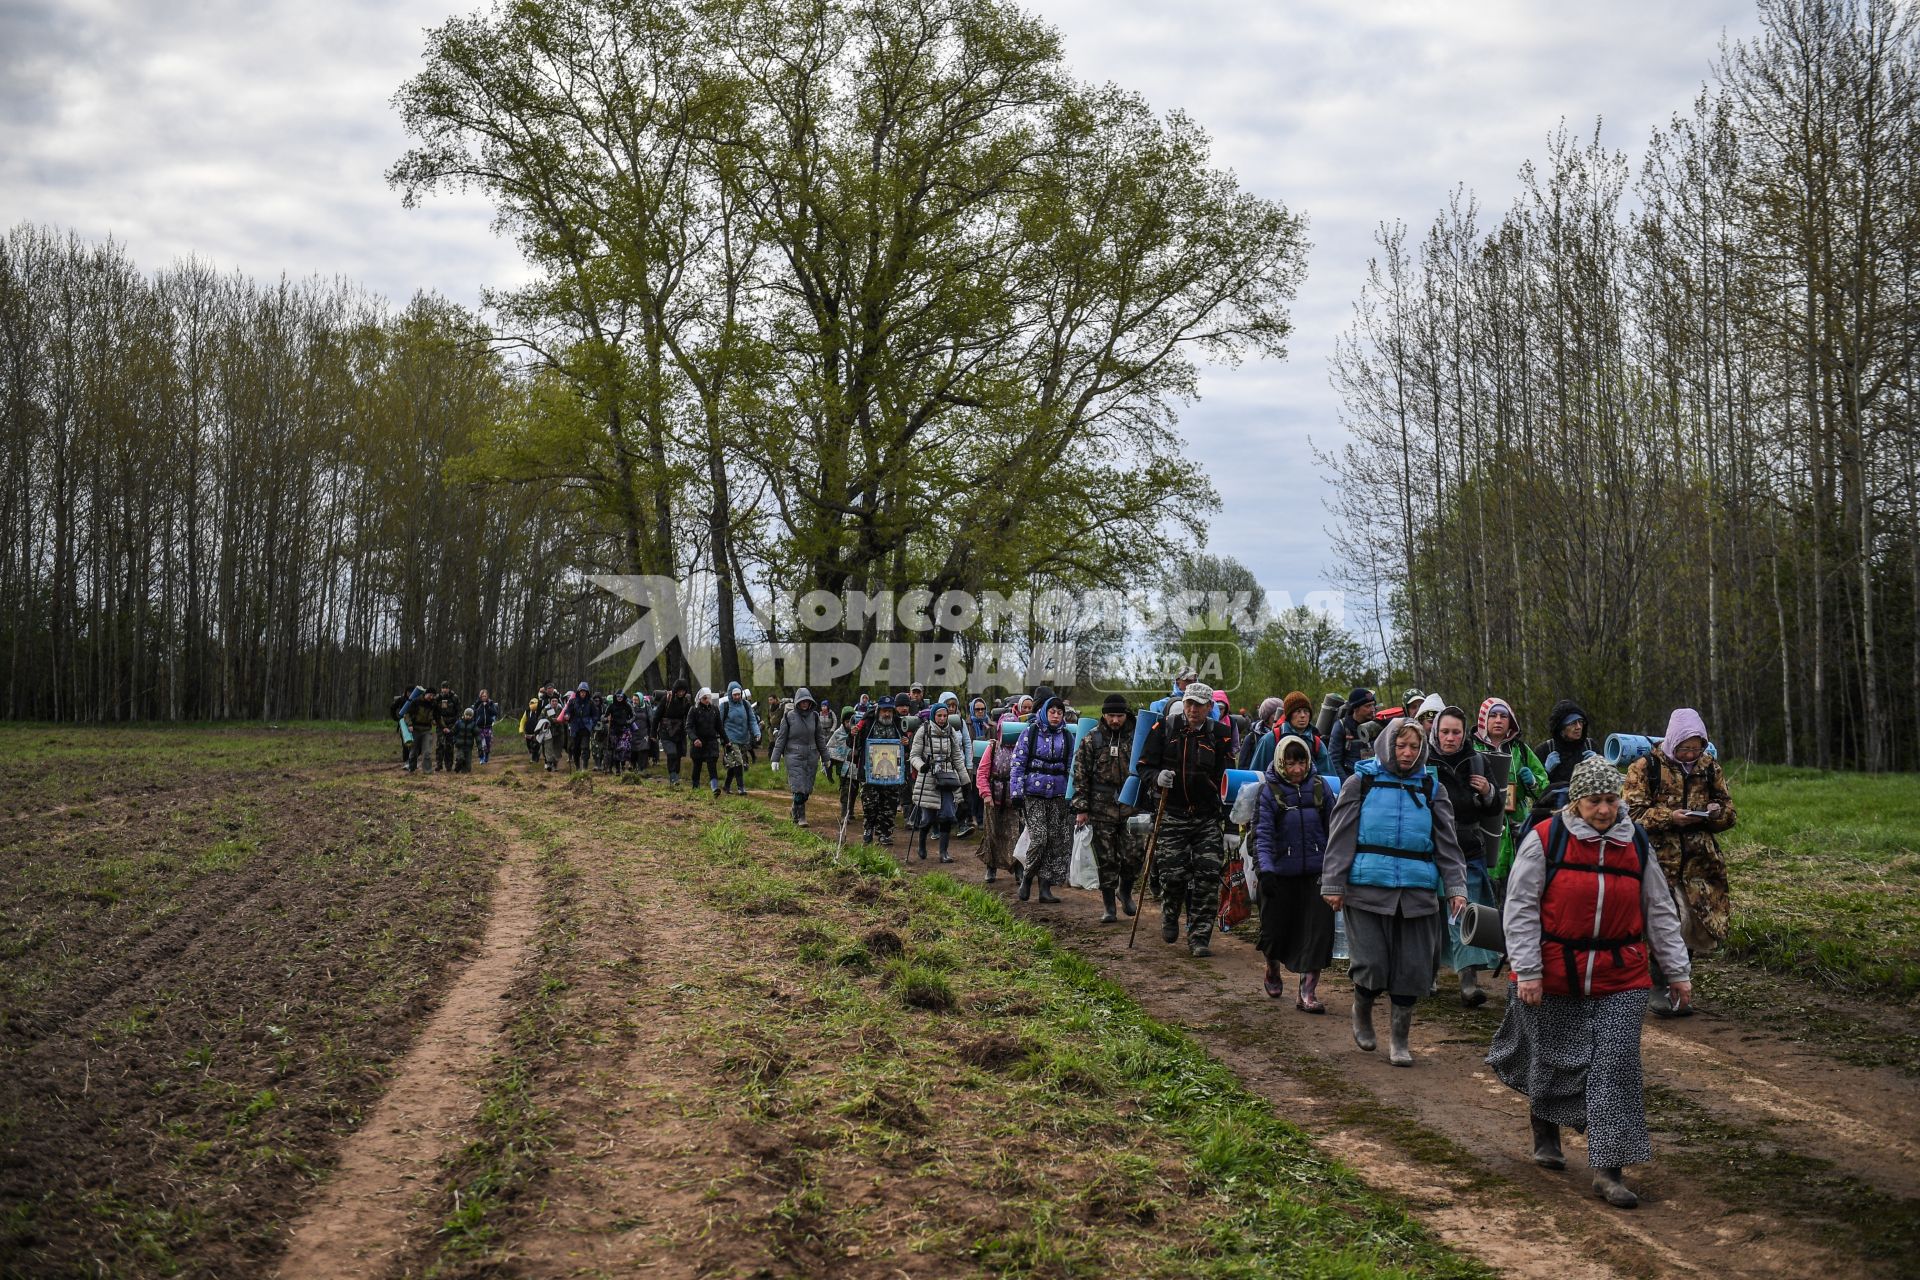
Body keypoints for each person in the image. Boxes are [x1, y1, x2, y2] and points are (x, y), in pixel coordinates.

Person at [1488, 756, 1692, 1209]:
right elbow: (1519, 909)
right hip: (1554, 970)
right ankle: (1545, 1129)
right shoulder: (1545, 840)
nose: (1605, 810)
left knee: (1616, 1068)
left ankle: (1609, 1170)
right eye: (1595, 801)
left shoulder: (1635, 842)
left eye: (1612, 799)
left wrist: (1677, 971)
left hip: (1621, 975)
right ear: (1577, 801)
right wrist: (1528, 970)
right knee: (1554, 1059)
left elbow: (1658, 908)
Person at [1320, 717, 1468, 1066]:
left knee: (1413, 968)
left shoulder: (1432, 789)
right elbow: (1341, 835)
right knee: (1371, 963)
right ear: (1388, 744)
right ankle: (1362, 1007)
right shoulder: (1362, 782)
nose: (1407, 752)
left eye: (1414, 747)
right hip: (1367, 888)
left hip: (1417, 891)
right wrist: (1333, 882)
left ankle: (1400, 1040)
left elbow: (1448, 843)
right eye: (1401, 745)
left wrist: (1456, 886)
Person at [1623, 708, 1737, 1016]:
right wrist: (1669, 817)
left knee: (1694, 921)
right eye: (1685, 747)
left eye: (1696, 747)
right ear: (1673, 741)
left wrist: (1715, 813)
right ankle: (1659, 985)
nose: (1690, 753)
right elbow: (1630, 815)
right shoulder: (1646, 768)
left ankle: (1678, 984)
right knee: (1667, 920)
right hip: (1659, 859)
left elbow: (1730, 812)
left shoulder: (1709, 768)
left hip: (1700, 862)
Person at [1135, 682, 1232, 957]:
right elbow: (1143, 766)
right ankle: (1170, 914)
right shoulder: (1165, 729)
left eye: (1199, 705)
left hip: (1206, 818)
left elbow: (1230, 783)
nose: (1193, 709)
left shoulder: (1221, 735)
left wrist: (1232, 827)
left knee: (1207, 877)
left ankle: (1199, 937)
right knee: (1172, 875)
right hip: (1172, 815)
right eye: (1189, 703)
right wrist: (1157, 778)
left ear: (1209, 707)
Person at [1251, 735, 1336, 1010]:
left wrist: (1336, 869)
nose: (1297, 770)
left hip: (1316, 873)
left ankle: (1308, 993)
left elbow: (1335, 830)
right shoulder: (1269, 792)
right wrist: (1266, 871)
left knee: (1317, 933)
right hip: (1280, 874)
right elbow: (1262, 835)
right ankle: (1272, 966)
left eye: (1301, 762)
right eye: (1290, 763)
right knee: (1275, 932)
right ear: (1280, 762)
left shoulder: (1321, 788)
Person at [1431, 705, 1505, 1006]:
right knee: (1432, 915)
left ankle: (1468, 981)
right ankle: (1427, 974)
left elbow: (1494, 809)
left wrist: (1488, 791)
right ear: (1436, 731)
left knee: (1465, 911)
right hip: (1431, 846)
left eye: (1456, 732)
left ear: (1465, 734)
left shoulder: (1476, 760)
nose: (1450, 738)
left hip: (1468, 846)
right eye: (1445, 731)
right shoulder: (1424, 760)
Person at [1071, 693, 1142, 923]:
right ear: (1104, 715)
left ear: (1126, 715)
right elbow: (1080, 775)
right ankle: (1109, 906)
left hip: (1131, 805)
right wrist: (1082, 808)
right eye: (1111, 715)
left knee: (1134, 854)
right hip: (1101, 807)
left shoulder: (1137, 737)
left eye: (1119, 716)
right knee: (1106, 858)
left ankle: (1126, 890)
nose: (1115, 720)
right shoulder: (1092, 739)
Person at [1472, 697, 1544, 894]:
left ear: (1510, 720)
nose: (1498, 720)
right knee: (1487, 888)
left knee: (1518, 885)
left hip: (1517, 825)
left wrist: (1532, 782)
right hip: (1484, 824)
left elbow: (1544, 786)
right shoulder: (1470, 748)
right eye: (1492, 715)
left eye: (1503, 716)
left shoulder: (1520, 750)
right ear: (1483, 720)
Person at [1010, 695, 1074, 902]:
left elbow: (1073, 767)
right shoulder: (1031, 732)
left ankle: (1045, 889)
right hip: (1034, 793)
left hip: (1058, 795)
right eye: (1052, 712)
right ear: (1045, 713)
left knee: (1055, 841)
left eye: (1059, 712)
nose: (1056, 716)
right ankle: (1027, 878)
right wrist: (1016, 792)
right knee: (1039, 838)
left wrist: (1074, 795)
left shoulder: (1067, 737)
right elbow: (1018, 762)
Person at [907, 701, 968, 862]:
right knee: (928, 817)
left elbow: (957, 757)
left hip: (948, 778)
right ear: (934, 716)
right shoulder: (923, 731)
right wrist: (921, 766)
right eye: (939, 715)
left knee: (947, 815)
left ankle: (943, 853)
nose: (942, 719)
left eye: (945, 715)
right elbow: (913, 755)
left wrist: (965, 780)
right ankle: (921, 843)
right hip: (928, 778)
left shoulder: (951, 732)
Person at [974, 705, 1023, 883]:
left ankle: (1018, 869)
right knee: (992, 834)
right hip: (993, 798)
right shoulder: (993, 747)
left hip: (1013, 799)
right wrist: (986, 794)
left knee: (1015, 835)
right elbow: (982, 773)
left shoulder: (1021, 749)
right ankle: (991, 868)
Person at [771, 686, 832, 826]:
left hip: (811, 756)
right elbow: (781, 738)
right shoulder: (789, 716)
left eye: (807, 701)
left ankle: (794, 810)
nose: (805, 704)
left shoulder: (815, 717)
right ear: (798, 702)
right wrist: (775, 758)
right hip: (793, 756)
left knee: (806, 790)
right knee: (799, 788)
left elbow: (820, 739)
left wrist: (825, 757)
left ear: (810, 702)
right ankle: (801, 817)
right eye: (802, 701)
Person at [851, 696, 908, 845]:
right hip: (869, 772)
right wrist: (854, 733)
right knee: (870, 803)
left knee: (889, 803)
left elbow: (905, 747)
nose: (887, 714)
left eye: (889, 710)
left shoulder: (898, 723)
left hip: (892, 772)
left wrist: (906, 743)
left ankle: (885, 833)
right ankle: (868, 829)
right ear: (878, 710)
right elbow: (851, 743)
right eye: (884, 710)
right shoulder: (868, 722)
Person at [1533, 699, 1598, 820]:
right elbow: (1534, 791)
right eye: (1572, 723)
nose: (1578, 727)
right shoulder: (1544, 750)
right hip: (1553, 814)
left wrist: (1599, 764)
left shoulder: (1590, 745)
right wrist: (1545, 771)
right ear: (1560, 727)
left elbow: (1605, 785)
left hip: (1586, 813)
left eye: (1580, 722)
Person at [720, 682, 760, 796]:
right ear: (730, 694)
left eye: (739, 694)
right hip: (730, 739)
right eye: (734, 695)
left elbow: (752, 720)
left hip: (743, 738)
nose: (737, 697)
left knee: (734, 764)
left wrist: (756, 732)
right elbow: (719, 723)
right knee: (739, 762)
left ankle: (726, 785)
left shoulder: (746, 705)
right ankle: (741, 787)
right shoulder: (725, 706)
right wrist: (722, 739)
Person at [1329, 687, 1377, 778]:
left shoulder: (1376, 725)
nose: (1372, 709)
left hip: (1374, 778)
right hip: (1351, 778)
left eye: (1373, 705)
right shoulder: (1342, 726)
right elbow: (1334, 760)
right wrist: (1346, 785)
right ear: (1355, 708)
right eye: (1367, 706)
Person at [687, 687, 723, 795]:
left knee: (712, 765)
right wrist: (694, 739)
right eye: (704, 698)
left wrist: (726, 740)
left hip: (711, 742)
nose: (707, 700)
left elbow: (719, 727)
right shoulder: (694, 710)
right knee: (697, 765)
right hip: (698, 743)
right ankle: (695, 787)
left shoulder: (715, 710)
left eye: (708, 698)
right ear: (700, 698)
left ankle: (714, 788)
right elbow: (688, 727)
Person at [656, 679, 691, 785]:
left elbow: (689, 716)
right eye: (679, 690)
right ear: (676, 690)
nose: (681, 693)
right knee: (671, 753)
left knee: (678, 755)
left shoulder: (686, 701)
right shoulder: (666, 699)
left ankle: (675, 775)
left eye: (683, 691)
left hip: (679, 733)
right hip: (665, 732)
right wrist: (653, 733)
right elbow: (656, 716)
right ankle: (673, 776)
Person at [404, 690, 437, 774]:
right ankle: (411, 768)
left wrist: (433, 720)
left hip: (427, 730)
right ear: (425, 694)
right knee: (413, 751)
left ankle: (427, 771)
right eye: (430, 695)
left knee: (427, 752)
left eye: (433, 696)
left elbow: (435, 715)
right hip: (415, 730)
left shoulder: (433, 704)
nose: (431, 697)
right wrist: (410, 724)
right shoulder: (416, 702)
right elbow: (407, 714)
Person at [432, 681, 460, 772]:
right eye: (443, 688)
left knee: (449, 745)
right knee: (440, 745)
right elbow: (433, 710)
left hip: (451, 724)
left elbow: (458, 711)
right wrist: (434, 720)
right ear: (441, 689)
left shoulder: (454, 698)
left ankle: (448, 765)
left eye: (446, 688)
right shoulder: (438, 698)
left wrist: (455, 724)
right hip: (440, 723)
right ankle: (438, 764)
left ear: (449, 688)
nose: (444, 689)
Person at [472, 689, 500, 764]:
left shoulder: (490, 703)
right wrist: (474, 722)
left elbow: (495, 713)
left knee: (487, 743)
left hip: (488, 726)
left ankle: (486, 755)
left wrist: (487, 706)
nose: (484, 697)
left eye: (485, 696)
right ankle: (481, 758)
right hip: (479, 727)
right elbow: (473, 713)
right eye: (482, 696)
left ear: (487, 696)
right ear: (480, 696)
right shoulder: (477, 704)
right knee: (480, 744)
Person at [451, 706, 481, 772]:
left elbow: (478, 736)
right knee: (460, 758)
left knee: (467, 769)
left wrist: (480, 748)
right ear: (464, 714)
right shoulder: (459, 723)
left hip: (468, 746)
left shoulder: (473, 725)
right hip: (460, 745)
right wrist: (454, 740)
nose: (468, 716)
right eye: (467, 715)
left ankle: (464, 768)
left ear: (472, 716)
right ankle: (457, 767)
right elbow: (453, 732)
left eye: (470, 715)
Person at [522, 697, 542, 764]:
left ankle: (534, 759)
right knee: (529, 746)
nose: (532, 704)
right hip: (528, 732)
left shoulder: (539, 712)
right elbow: (523, 720)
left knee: (535, 745)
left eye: (534, 703)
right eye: (531, 703)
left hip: (536, 732)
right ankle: (535, 755)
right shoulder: (527, 711)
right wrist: (521, 729)